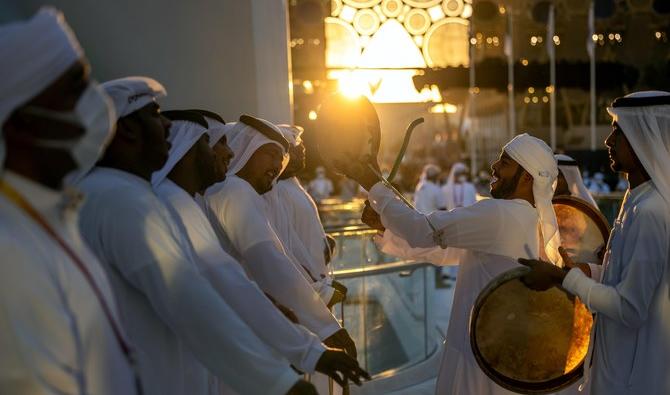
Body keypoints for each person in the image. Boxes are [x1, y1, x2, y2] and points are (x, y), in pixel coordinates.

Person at [77, 77, 312, 395]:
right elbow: (192, 302)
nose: (165, 126)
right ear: (129, 129)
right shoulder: (124, 200)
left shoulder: (118, 193)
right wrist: (283, 378)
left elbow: (217, 279)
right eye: (154, 115)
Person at [344, 133, 562, 394]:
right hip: (491, 355)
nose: (494, 166)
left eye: (504, 162)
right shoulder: (526, 217)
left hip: (479, 361)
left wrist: (373, 185)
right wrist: (387, 228)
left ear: (527, 177)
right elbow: (443, 251)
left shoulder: (502, 214)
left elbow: (422, 230)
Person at [0, 9, 138, 394]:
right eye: (75, 90)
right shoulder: (9, 250)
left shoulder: (50, 217)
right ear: (21, 122)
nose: (96, 103)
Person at [519, 91, 670, 395]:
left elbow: (630, 308)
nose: (608, 141)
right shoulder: (636, 200)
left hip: (634, 377)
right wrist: (585, 272)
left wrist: (564, 278)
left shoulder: (652, 211)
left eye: (618, 131)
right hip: (614, 365)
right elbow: (627, 281)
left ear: (643, 137)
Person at [201, 116, 358, 358]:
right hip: (249, 322)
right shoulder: (234, 190)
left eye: (280, 157)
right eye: (270, 154)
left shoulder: (243, 191)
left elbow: (284, 248)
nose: (278, 164)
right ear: (246, 150)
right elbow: (269, 261)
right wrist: (325, 325)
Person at [264, 124, 345, 308]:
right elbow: (285, 247)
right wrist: (317, 286)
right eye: (295, 148)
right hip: (307, 290)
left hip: (318, 280)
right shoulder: (277, 191)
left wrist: (323, 241)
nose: (303, 150)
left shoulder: (293, 184)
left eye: (301, 146)